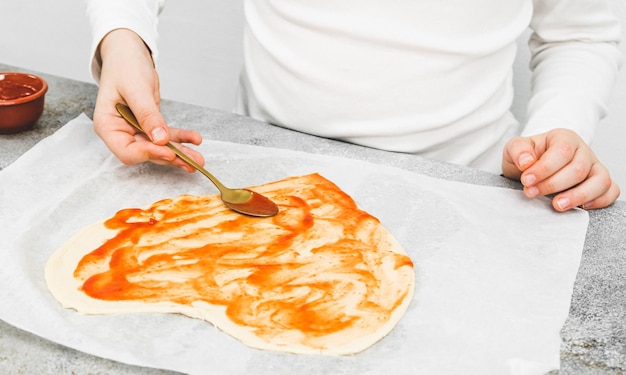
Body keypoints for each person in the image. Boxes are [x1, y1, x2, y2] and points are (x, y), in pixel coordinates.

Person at [85, 0, 622, 211]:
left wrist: (560, 129)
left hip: (468, 185)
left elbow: (580, 34)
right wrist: (123, 37)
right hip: (262, 170)